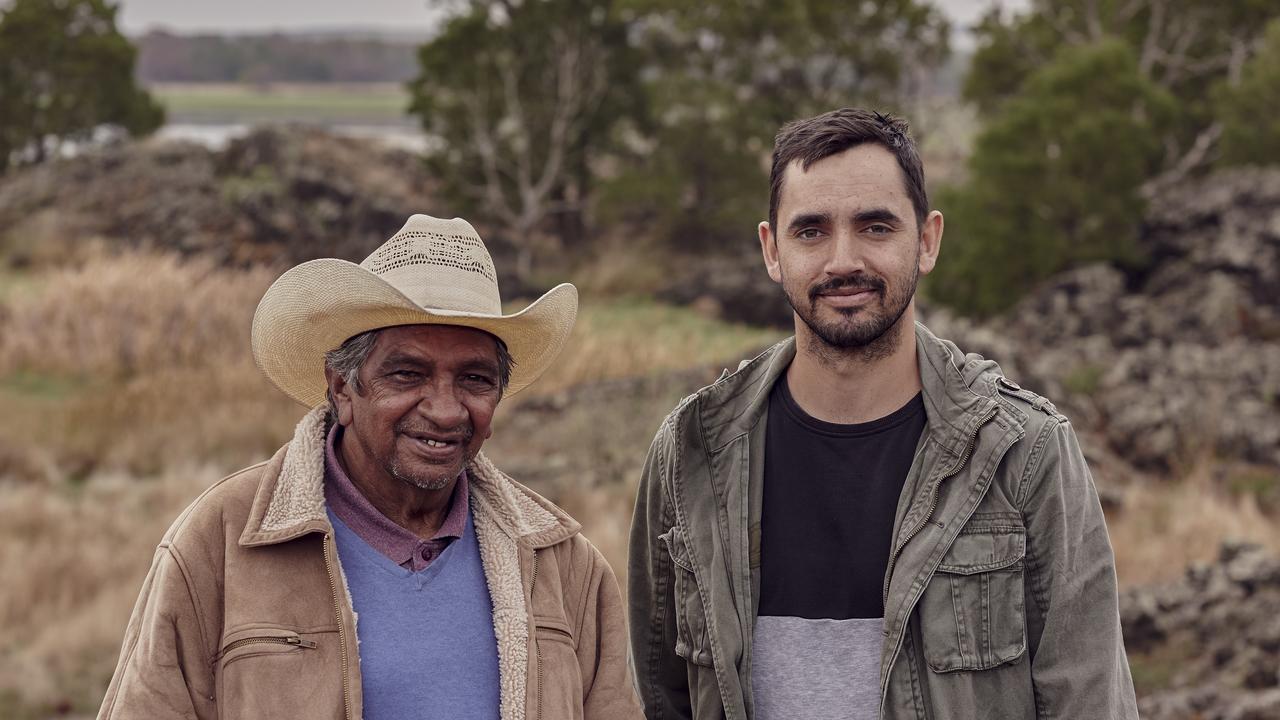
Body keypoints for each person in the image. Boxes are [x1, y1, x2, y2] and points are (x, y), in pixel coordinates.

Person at [628, 108, 1138, 720]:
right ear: (772, 250)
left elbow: (1091, 703)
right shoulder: (691, 454)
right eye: (811, 231)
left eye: (875, 227)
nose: (843, 260)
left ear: (927, 240)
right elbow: (658, 699)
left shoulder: (1024, 453)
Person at [98, 214, 642, 720]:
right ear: (342, 388)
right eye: (407, 374)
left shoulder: (566, 566)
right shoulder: (221, 541)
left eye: (475, 379)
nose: (446, 409)